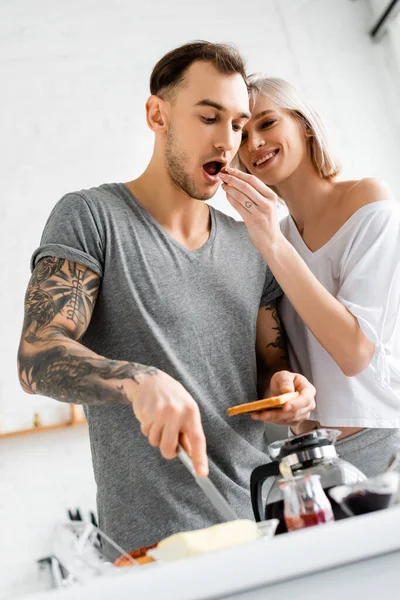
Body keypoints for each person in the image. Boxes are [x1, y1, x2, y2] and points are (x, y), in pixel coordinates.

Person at [17, 44, 316, 558]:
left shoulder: (253, 244)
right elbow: (37, 357)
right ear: (158, 114)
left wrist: (287, 389)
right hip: (154, 548)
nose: (227, 141)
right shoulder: (92, 217)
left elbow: (271, 365)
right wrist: (138, 380)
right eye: (208, 117)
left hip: (263, 525)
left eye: (239, 124)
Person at [219, 74, 400, 477]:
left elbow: (354, 353)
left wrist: (268, 242)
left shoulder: (367, 201)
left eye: (267, 123)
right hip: (315, 459)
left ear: (303, 123)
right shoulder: (272, 238)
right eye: (242, 134)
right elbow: (277, 361)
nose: (255, 145)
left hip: (386, 443)